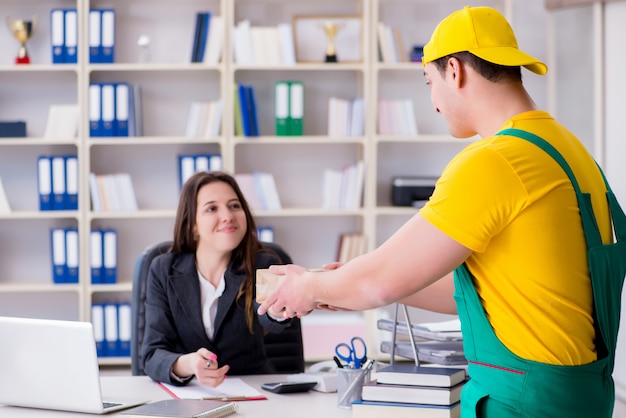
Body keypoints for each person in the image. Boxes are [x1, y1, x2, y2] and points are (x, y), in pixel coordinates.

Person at [257, 6, 626, 418]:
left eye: (429, 82)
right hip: (581, 397)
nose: (433, 102)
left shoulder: (495, 160)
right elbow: (489, 295)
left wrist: (311, 288)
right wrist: (340, 284)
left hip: (523, 402)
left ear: (455, 71)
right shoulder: (569, 151)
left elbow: (380, 282)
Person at [141, 171, 292, 388]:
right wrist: (189, 364)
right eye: (212, 208)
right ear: (192, 225)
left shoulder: (263, 263)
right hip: (190, 393)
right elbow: (152, 355)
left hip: (254, 392)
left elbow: (269, 314)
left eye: (234, 206)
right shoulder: (163, 269)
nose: (228, 216)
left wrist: (277, 310)